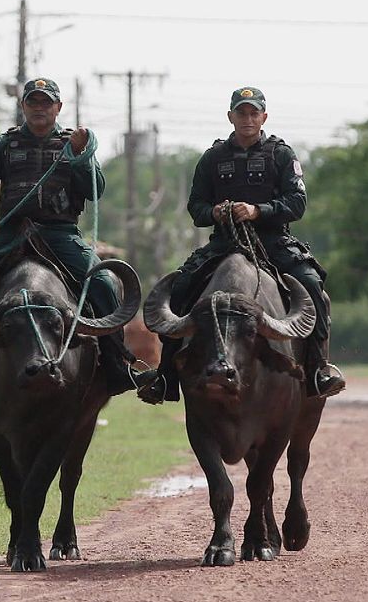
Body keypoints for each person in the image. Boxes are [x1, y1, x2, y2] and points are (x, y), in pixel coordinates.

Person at [0, 77, 153, 400]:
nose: (40, 108)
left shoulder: (75, 143)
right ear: (23, 106)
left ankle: (116, 363)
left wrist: (81, 156)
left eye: (46, 102)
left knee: (104, 284)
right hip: (11, 233)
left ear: (58, 107)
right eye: (33, 102)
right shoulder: (4, 145)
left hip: (60, 233)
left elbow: (95, 190)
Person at [139, 86, 344, 404]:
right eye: (241, 113)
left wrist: (258, 211)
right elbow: (196, 208)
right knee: (179, 291)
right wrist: (215, 212)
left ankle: (318, 370)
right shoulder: (212, 158)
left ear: (264, 117)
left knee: (313, 285)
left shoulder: (281, 155)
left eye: (253, 113)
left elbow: (297, 203)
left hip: (273, 242)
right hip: (224, 243)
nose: (247, 118)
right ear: (230, 116)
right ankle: (165, 376)